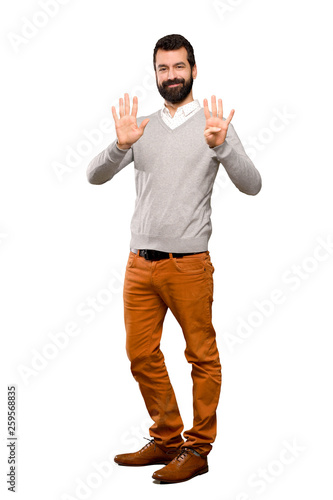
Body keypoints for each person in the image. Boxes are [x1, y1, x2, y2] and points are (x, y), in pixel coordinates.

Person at [86, 34, 262, 484]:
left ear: (193, 70)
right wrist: (120, 145)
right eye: (163, 69)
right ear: (156, 73)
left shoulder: (213, 124)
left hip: (188, 265)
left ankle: (198, 448)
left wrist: (222, 145)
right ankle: (166, 437)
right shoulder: (140, 127)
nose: (171, 76)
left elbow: (252, 184)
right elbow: (94, 176)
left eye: (179, 67)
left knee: (201, 356)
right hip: (139, 265)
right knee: (139, 354)